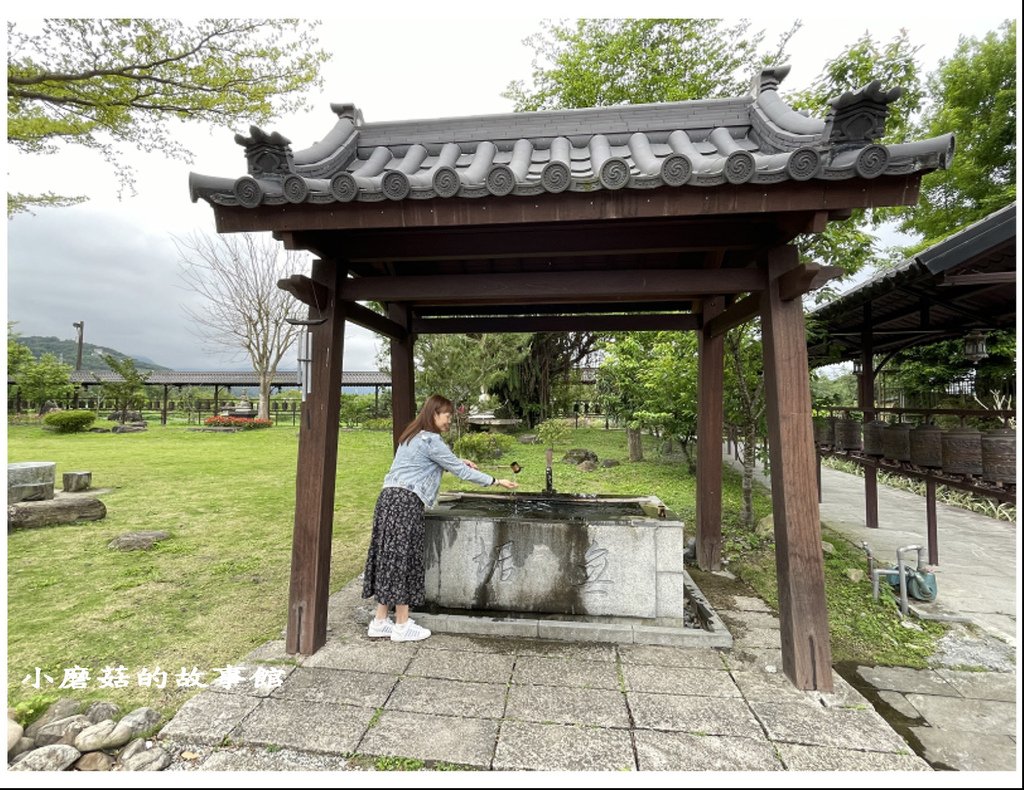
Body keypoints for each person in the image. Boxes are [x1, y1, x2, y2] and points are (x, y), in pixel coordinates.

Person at [362, 394, 518, 642]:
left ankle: (380, 621)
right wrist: (496, 481)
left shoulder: (411, 436)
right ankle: (402, 626)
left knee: (389, 559)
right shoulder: (432, 440)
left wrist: (458, 461)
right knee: (405, 559)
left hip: (387, 500)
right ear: (434, 414)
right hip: (406, 503)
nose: (449, 421)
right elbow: (460, 471)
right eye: (447, 415)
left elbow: (430, 463)